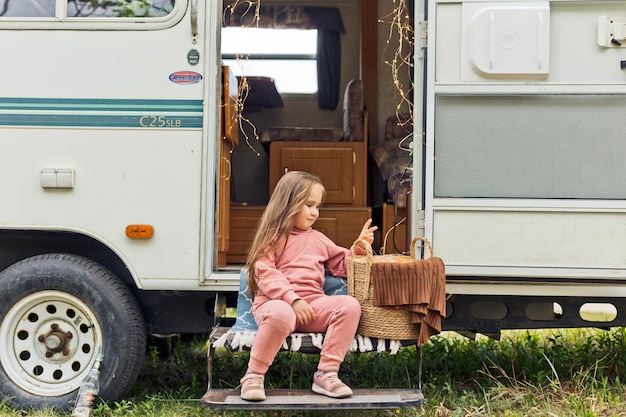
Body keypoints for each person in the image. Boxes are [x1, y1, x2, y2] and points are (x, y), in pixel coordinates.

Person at [239, 171, 377, 401]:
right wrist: (293, 299)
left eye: (317, 206)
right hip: (277, 306)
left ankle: (326, 374)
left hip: (312, 308)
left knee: (349, 305)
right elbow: (265, 272)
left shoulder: (318, 239)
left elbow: (343, 264)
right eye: (309, 205)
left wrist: (359, 248)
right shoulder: (272, 237)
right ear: (289, 204)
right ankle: (253, 375)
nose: (315, 212)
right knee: (282, 313)